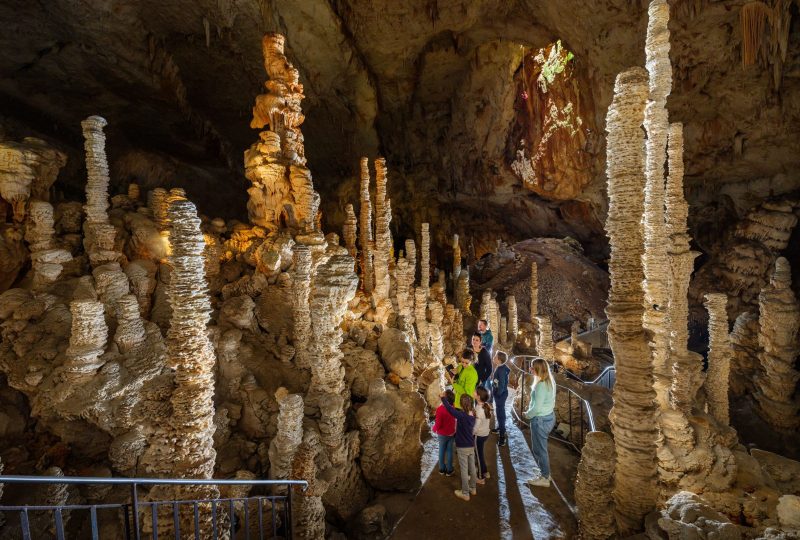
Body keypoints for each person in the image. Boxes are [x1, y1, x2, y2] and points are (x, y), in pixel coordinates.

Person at [524, 358, 557, 488]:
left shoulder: (541, 385)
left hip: (540, 420)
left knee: (540, 449)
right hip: (548, 417)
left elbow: (536, 408)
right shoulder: (549, 381)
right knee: (539, 448)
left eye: (532, 367)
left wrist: (527, 414)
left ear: (538, 369)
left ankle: (544, 477)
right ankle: (545, 472)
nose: (530, 369)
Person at [440, 392, 477, 501]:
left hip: (462, 446)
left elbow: (450, 409)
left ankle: (465, 493)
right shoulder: (473, 414)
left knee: (464, 470)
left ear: (462, 404)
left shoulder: (462, 416)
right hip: (471, 445)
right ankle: (473, 488)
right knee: (472, 468)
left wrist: (443, 398)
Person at [433, 389, 457, 476]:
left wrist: (434, 428)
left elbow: (438, 423)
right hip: (451, 433)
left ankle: (442, 469)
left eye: (443, 394)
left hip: (442, 434)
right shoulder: (453, 407)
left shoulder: (440, 409)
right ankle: (449, 470)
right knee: (450, 451)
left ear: (445, 399)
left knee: (442, 450)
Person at [491, 353, 511, 446]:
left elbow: (502, 385)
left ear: (499, 360)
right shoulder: (500, 367)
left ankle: (502, 436)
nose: (494, 358)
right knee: (499, 412)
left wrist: (498, 394)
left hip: (501, 395)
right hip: (499, 394)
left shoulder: (501, 370)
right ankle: (500, 427)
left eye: (495, 357)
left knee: (500, 415)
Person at [474, 386, 492, 484]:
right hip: (485, 433)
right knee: (480, 454)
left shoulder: (479, 410)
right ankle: (485, 471)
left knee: (478, 455)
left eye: (475, 392)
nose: (473, 392)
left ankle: (480, 477)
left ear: (478, 396)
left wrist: (470, 433)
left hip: (479, 435)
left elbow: (476, 427)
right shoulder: (486, 406)